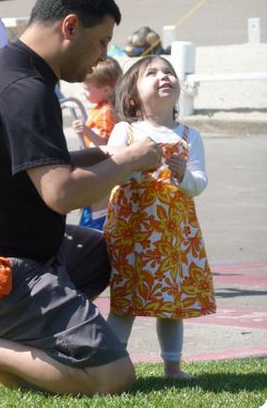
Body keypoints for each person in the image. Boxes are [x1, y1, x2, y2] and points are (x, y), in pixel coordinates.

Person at [0, 0, 164, 400]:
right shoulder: (26, 89)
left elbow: (29, 165)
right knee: (113, 378)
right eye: (101, 41)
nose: (103, 56)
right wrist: (130, 160)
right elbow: (63, 193)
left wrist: (108, 154)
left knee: (95, 256)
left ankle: (19, 346)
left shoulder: (6, 69)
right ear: (70, 27)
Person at [104, 55, 216, 379]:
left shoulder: (188, 136)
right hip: (132, 231)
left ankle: (173, 366)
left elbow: (200, 183)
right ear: (132, 95)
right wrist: (131, 166)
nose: (163, 76)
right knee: (125, 301)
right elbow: (111, 171)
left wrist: (184, 177)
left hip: (173, 233)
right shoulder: (125, 130)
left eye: (168, 72)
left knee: (171, 302)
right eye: (151, 73)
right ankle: (109, 364)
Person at [72, 56, 122, 230]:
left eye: (87, 89)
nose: (83, 93)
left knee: (97, 214)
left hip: (100, 170)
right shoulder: (102, 108)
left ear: (106, 90)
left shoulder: (106, 112)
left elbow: (107, 145)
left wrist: (86, 131)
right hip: (99, 169)